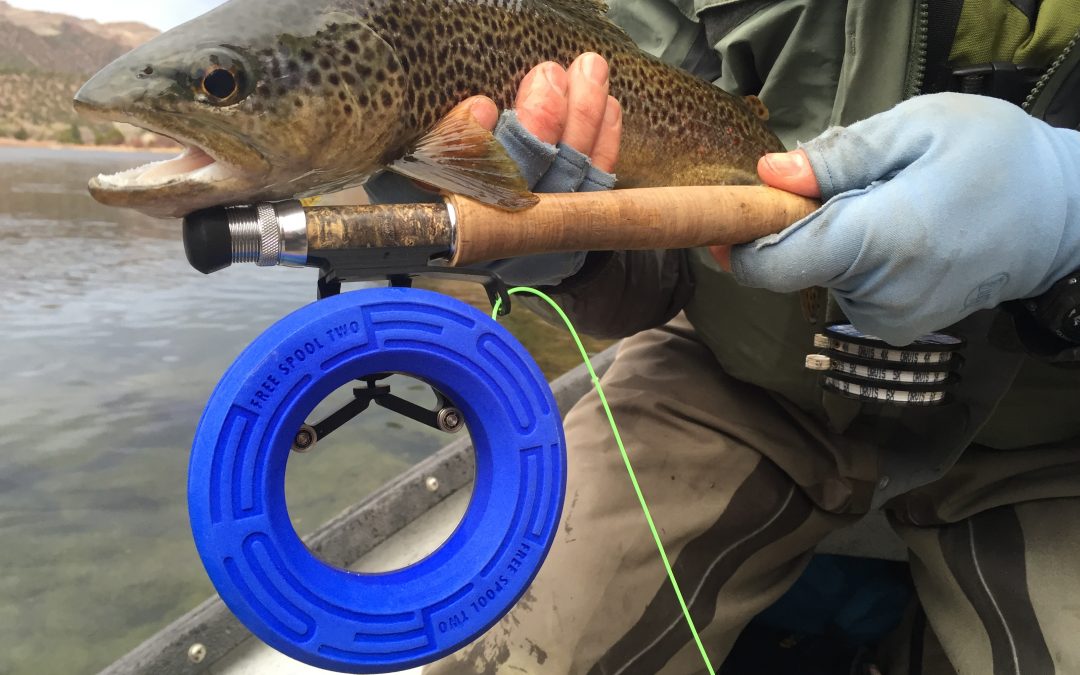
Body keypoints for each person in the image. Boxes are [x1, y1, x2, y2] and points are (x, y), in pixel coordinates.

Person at [403, 1, 1080, 673]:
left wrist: (1069, 213)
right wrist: (574, 251)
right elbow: (660, 267)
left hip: (1048, 441)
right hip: (732, 380)